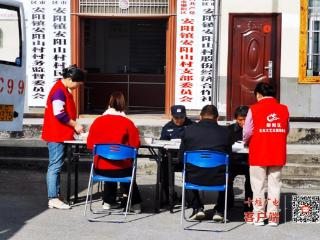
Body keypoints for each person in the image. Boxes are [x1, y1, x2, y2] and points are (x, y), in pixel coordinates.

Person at [87, 91, 142, 213]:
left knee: (108, 162)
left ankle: (108, 201)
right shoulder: (127, 123)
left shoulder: (97, 121)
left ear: (109, 104)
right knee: (124, 167)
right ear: (123, 105)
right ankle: (135, 204)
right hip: (122, 169)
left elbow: (90, 145)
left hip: (100, 169)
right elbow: (135, 145)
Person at [243, 82, 289, 226]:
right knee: (275, 185)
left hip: (259, 150)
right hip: (277, 151)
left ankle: (259, 217)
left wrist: (245, 141)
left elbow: (248, 131)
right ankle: (273, 218)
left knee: (258, 185)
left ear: (258, 94)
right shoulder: (284, 109)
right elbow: (286, 129)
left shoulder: (254, 109)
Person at [42, 65, 85, 210]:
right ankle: (53, 197)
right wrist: (75, 125)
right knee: (55, 166)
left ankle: (56, 195)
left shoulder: (62, 90)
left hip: (60, 134)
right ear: (69, 79)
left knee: (57, 165)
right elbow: (59, 114)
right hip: (56, 134)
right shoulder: (59, 92)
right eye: (77, 84)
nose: (77, 87)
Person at [179, 105, 232, 221]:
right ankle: (220, 210)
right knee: (229, 173)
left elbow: (181, 157)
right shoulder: (226, 132)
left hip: (194, 177)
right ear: (217, 118)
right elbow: (229, 157)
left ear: (200, 117)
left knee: (185, 172)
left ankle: (197, 208)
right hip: (218, 177)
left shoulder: (188, 131)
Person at [160, 105, 193, 204]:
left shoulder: (192, 126)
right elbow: (161, 143)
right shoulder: (167, 127)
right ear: (172, 116)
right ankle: (169, 196)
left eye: (181, 117)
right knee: (163, 168)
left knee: (192, 170)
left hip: (187, 158)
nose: (179, 120)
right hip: (171, 158)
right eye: (176, 118)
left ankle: (187, 196)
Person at [227, 106, 253, 213]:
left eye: (245, 120)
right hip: (234, 160)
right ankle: (228, 203)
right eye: (240, 120)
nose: (242, 122)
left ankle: (248, 206)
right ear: (236, 119)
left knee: (251, 183)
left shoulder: (254, 129)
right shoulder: (229, 129)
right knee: (227, 179)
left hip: (249, 161)